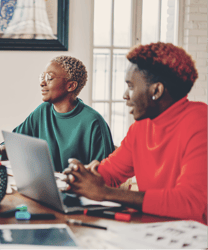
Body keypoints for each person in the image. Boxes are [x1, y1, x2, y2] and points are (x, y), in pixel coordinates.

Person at [63, 42, 207, 224]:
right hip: (155, 228)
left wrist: (106, 193)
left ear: (156, 90)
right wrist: (84, 177)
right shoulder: (141, 127)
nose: (125, 95)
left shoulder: (200, 123)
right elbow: (111, 172)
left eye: (130, 86)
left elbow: (190, 203)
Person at [0, 56, 115, 172]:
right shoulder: (43, 111)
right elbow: (16, 143)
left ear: (70, 86)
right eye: (42, 77)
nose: (42, 83)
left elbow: (105, 177)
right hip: (48, 191)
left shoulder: (93, 122)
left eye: (49, 78)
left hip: (81, 196)